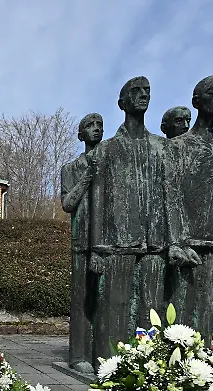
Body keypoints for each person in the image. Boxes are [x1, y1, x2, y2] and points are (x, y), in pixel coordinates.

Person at [88, 77, 191, 362]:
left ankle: (149, 365)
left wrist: (175, 242)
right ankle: (110, 364)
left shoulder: (162, 147)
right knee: (114, 306)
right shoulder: (107, 149)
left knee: (152, 307)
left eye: (147, 91)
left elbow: (172, 197)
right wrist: (96, 248)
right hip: (116, 243)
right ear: (122, 103)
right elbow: (98, 200)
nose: (143, 94)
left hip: (155, 243)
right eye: (136, 91)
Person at [166, 75, 213, 338]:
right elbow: (171, 196)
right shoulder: (176, 146)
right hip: (186, 244)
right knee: (178, 315)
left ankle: (203, 358)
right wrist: (176, 242)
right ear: (196, 101)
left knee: (206, 314)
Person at [60, 113, 103, 373]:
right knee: (82, 297)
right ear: (80, 134)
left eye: (100, 125)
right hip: (82, 240)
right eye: (90, 125)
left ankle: (103, 351)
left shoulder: (111, 164)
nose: (96, 129)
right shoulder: (71, 168)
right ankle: (79, 354)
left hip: (110, 242)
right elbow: (68, 204)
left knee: (106, 300)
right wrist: (88, 176)